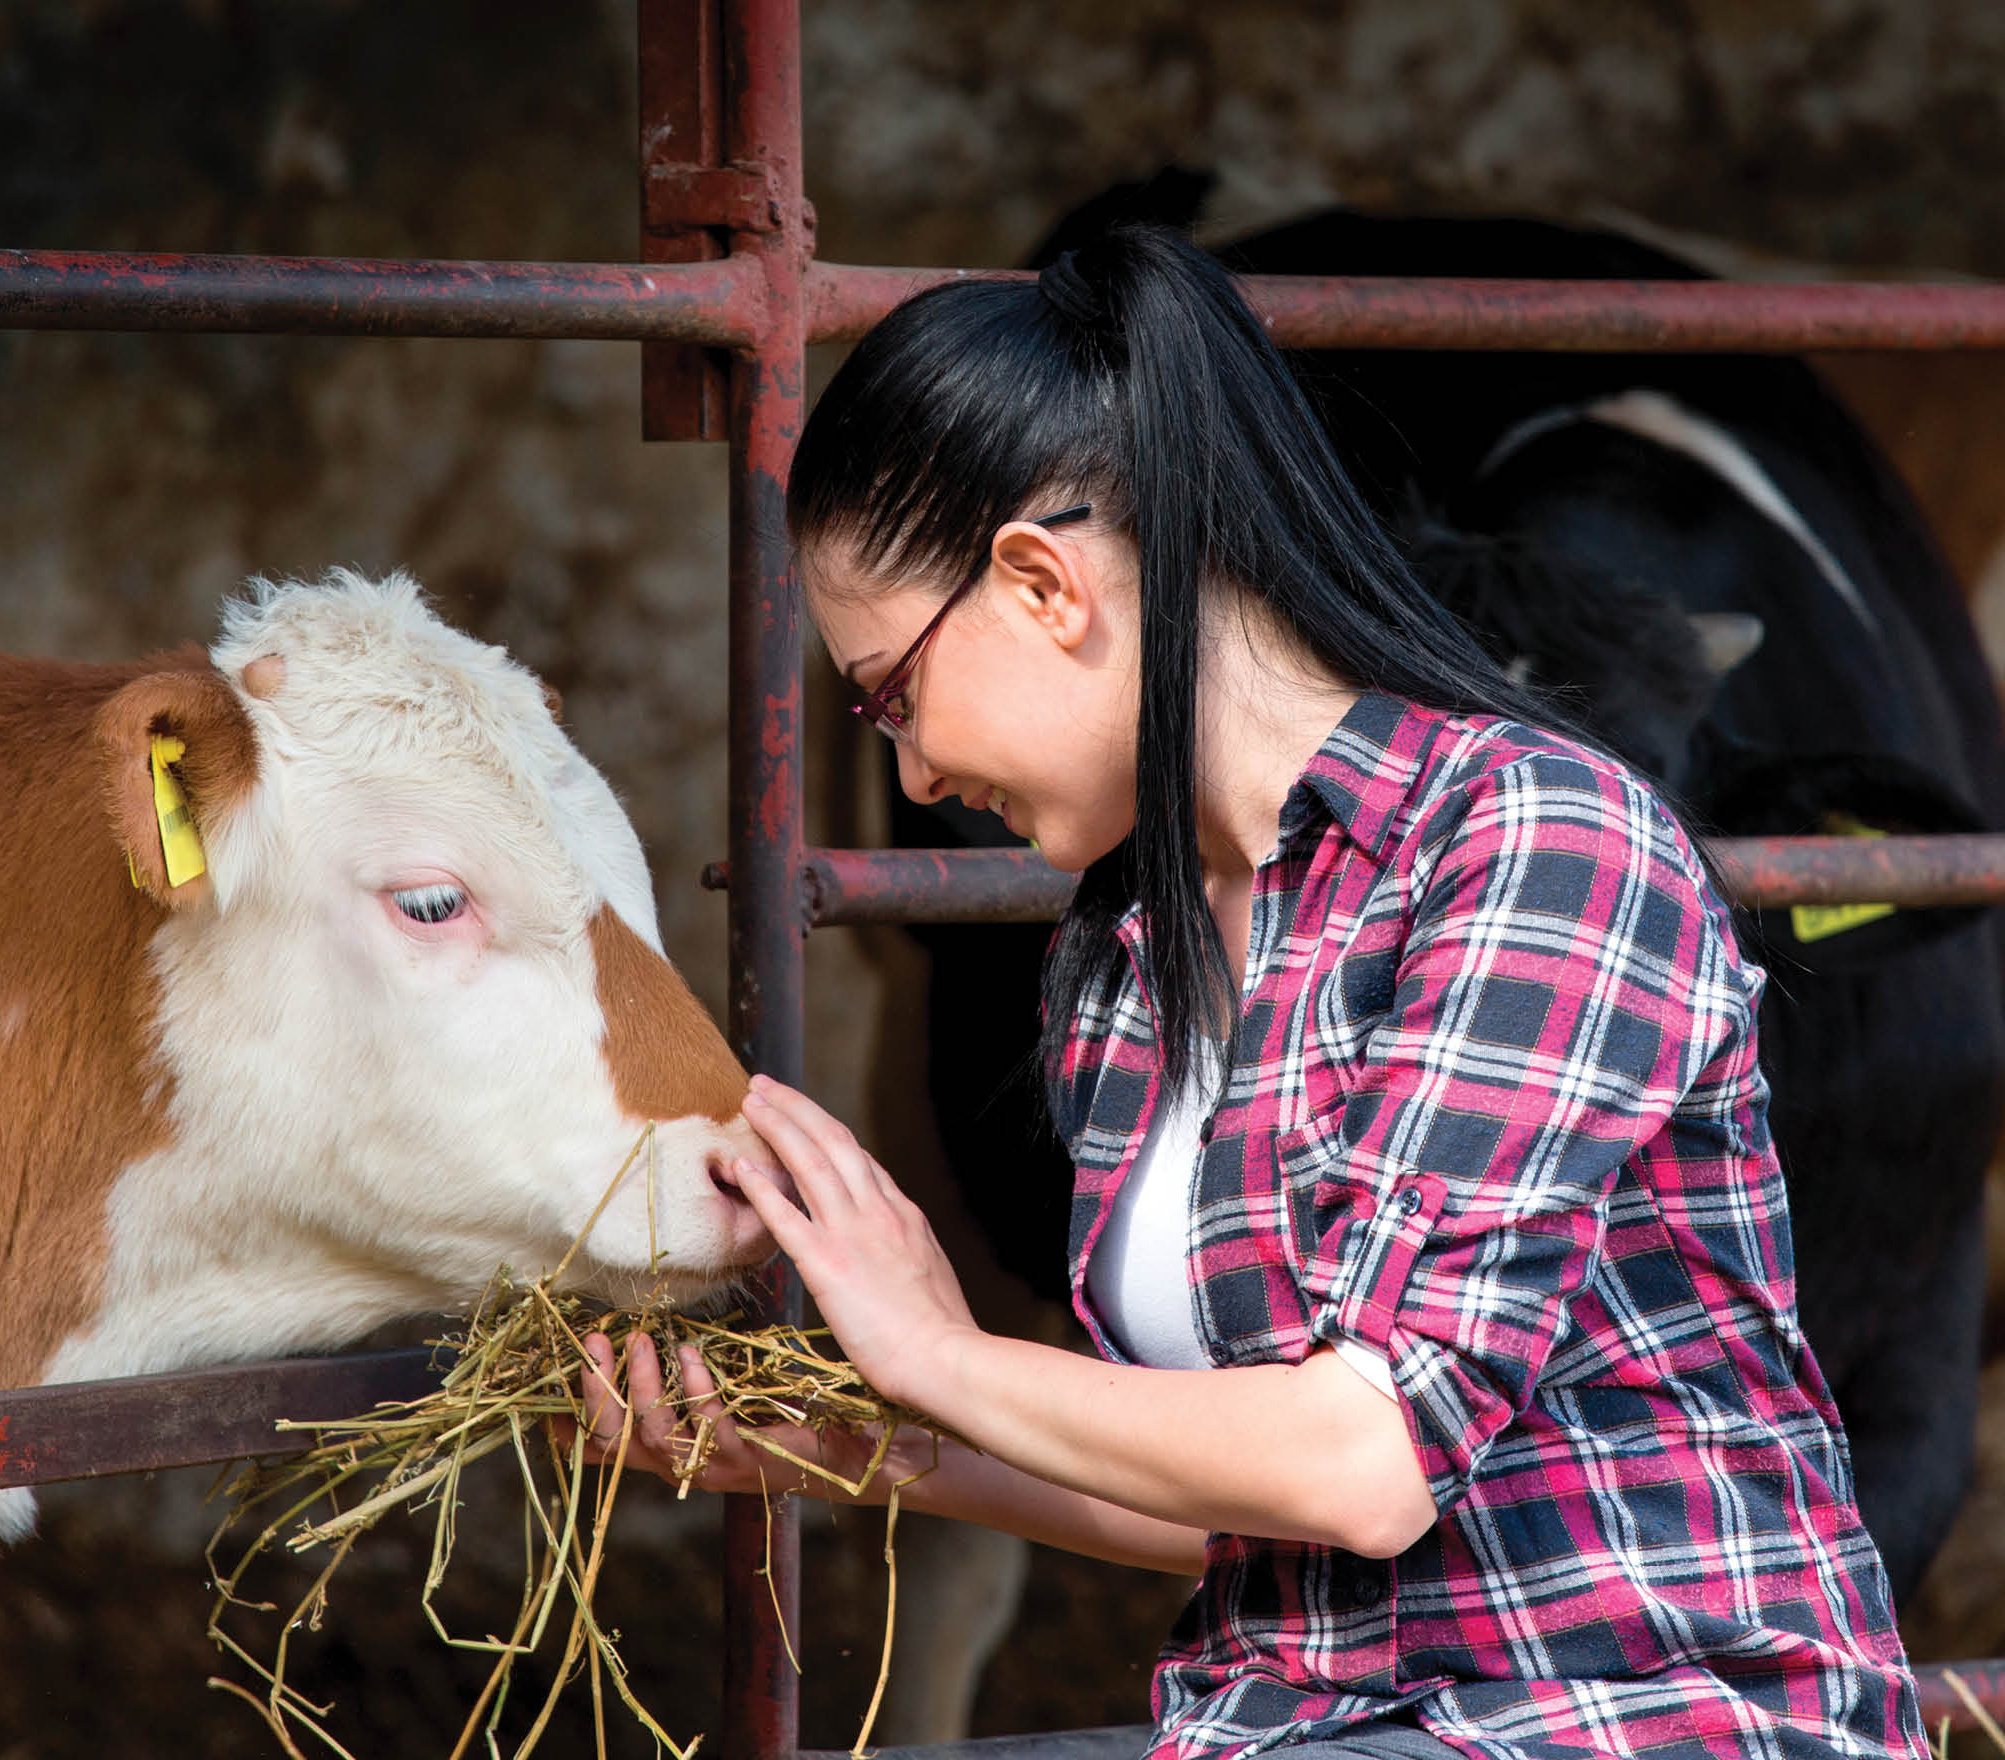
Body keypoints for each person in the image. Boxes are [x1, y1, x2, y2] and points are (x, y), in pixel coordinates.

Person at [578, 224, 1926, 1759]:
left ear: (1041, 584)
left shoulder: (1536, 843)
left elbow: (1363, 1459)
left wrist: (945, 1357)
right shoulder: (1123, 972)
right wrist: (860, 1441)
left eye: (892, 691)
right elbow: (1235, 1508)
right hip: (1306, 1725)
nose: (910, 771)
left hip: (1633, 1718)